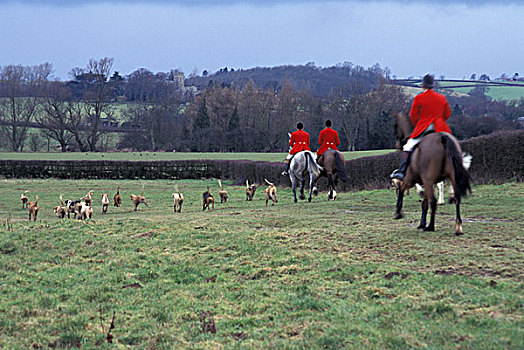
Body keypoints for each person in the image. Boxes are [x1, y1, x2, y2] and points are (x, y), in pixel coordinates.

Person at [390, 74, 452, 181]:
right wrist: (440, 121)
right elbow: (447, 114)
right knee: (452, 146)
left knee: (408, 147)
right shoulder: (442, 98)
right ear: (433, 85)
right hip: (441, 128)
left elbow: (413, 116)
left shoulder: (419, 98)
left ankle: (402, 172)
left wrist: (419, 123)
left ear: (423, 86)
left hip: (424, 128)